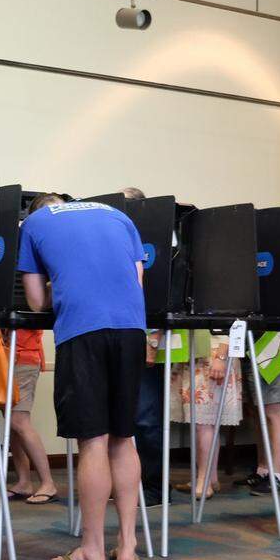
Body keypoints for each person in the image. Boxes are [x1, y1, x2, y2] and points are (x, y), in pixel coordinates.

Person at [18, 192, 146, 560]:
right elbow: (136, 280)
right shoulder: (117, 215)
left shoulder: (34, 223)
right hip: (131, 328)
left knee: (93, 442)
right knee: (123, 439)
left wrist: (62, 280)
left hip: (83, 330)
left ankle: (91, 551)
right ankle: (127, 544)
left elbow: (37, 300)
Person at [121, 186, 167, 506]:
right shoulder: (117, 240)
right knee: (125, 419)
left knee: (147, 419)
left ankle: (152, 486)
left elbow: (159, 298)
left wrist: (152, 340)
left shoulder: (156, 243)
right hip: (121, 339)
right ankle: (128, 483)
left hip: (147, 339)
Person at [170, 332, 241, 498]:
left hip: (215, 353)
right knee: (205, 422)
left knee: (202, 422)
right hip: (198, 351)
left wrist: (221, 357)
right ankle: (211, 477)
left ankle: (204, 480)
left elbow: (231, 320)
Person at [236, 339, 280, 497]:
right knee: (258, 413)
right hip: (250, 346)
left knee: (273, 411)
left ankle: (276, 474)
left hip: (271, 347)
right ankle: (263, 470)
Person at [5, 328, 59, 504]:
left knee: (18, 421)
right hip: (9, 355)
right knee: (13, 425)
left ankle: (48, 483)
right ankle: (24, 482)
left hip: (22, 356)